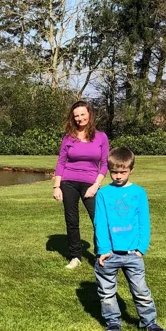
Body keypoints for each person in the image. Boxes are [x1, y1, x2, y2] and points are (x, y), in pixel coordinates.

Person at [93, 147, 166, 331]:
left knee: (141, 291)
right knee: (107, 292)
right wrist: (103, 249)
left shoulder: (139, 193)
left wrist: (141, 248)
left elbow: (144, 222)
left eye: (123, 172)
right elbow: (100, 223)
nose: (118, 176)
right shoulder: (103, 194)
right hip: (109, 255)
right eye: (114, 172)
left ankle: (149, 322)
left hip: (133, 255)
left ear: (131, 170)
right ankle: (113, 323)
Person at [52, 100, 109, 269]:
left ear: (89, 115)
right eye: (76, 116)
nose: (79, 118)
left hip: (90, 183)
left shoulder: (101, 137)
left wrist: (96, 185)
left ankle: (102, 254)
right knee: (72, 221)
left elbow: (104, 164)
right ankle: (75, 256)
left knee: (97, 219)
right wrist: (56, 186)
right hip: (68, 182)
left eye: (82, 114)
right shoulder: (68, 137)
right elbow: (61, 162)